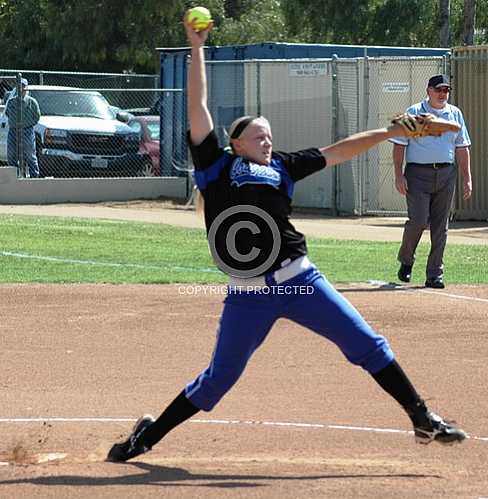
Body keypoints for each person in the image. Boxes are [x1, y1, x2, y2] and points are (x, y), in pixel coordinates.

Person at [106, 17, 467, 463]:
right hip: (249, 295)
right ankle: (147, 436)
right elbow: (197, 106)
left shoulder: (283, 167)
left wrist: (392, 132)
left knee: (368, 345)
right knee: (218, 380)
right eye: (259, 135)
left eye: (270, 136)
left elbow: (341, 149)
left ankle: (422, 418)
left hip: (300, 282)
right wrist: (197, 48)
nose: (268, 140)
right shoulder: (215, 168)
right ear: (235, 142)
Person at [391, 74, 472, 289]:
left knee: (440, 227)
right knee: (418, 220)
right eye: (438, 89)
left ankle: (435, 274)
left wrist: (467, 178)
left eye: (446, 90)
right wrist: (398, 175)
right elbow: (399, 145)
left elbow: (462, 147)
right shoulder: (413, 112)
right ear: (428, 90)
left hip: (446, 174)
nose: (442, 94)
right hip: (417, 174)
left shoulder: (455, 114)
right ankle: (406, 260)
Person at [5, 78, 41, 178]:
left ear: (26, 88)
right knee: (11, 154)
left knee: (30, 155)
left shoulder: (32, 102)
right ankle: (15, 176)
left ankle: (34, 177)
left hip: (27, 131)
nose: (21, 89)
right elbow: (8, 113)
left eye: (23, 87)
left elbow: (37, 117)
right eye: (19, 86)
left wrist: (26, 124)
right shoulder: (11, 102)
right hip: (13, 131)